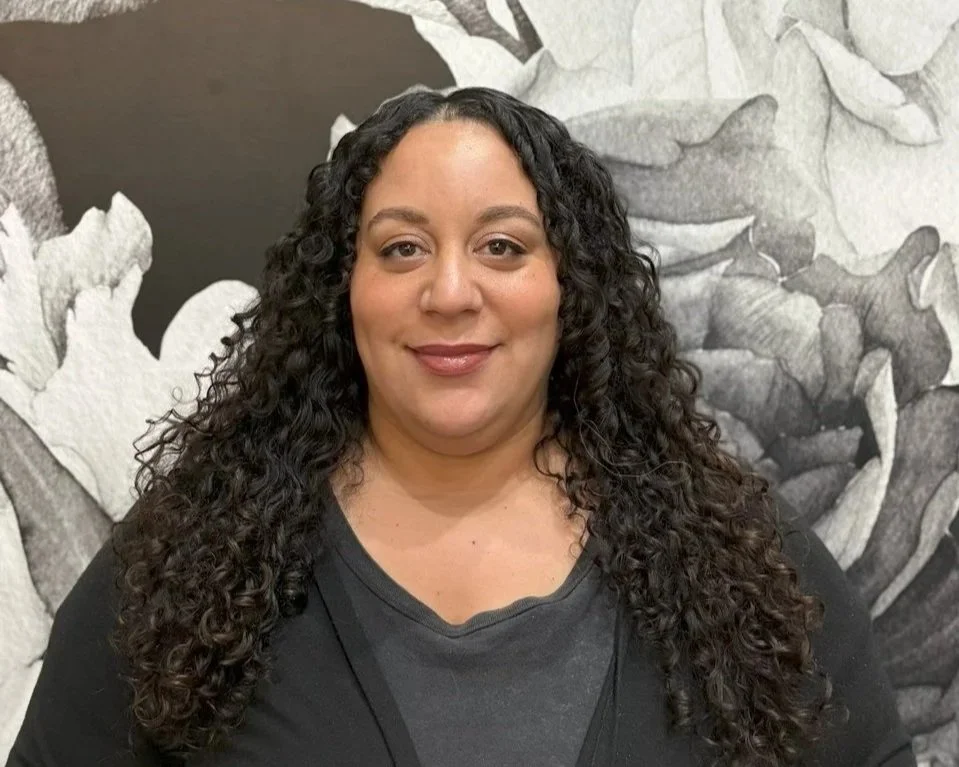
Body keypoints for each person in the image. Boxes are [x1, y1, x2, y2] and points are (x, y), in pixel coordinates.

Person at [6, 86, 916, 767]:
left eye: (502, 247)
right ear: (343, 289)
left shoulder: (744, 570)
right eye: (402, 247)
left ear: (570, 286)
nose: (449, 292)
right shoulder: (185, 571)